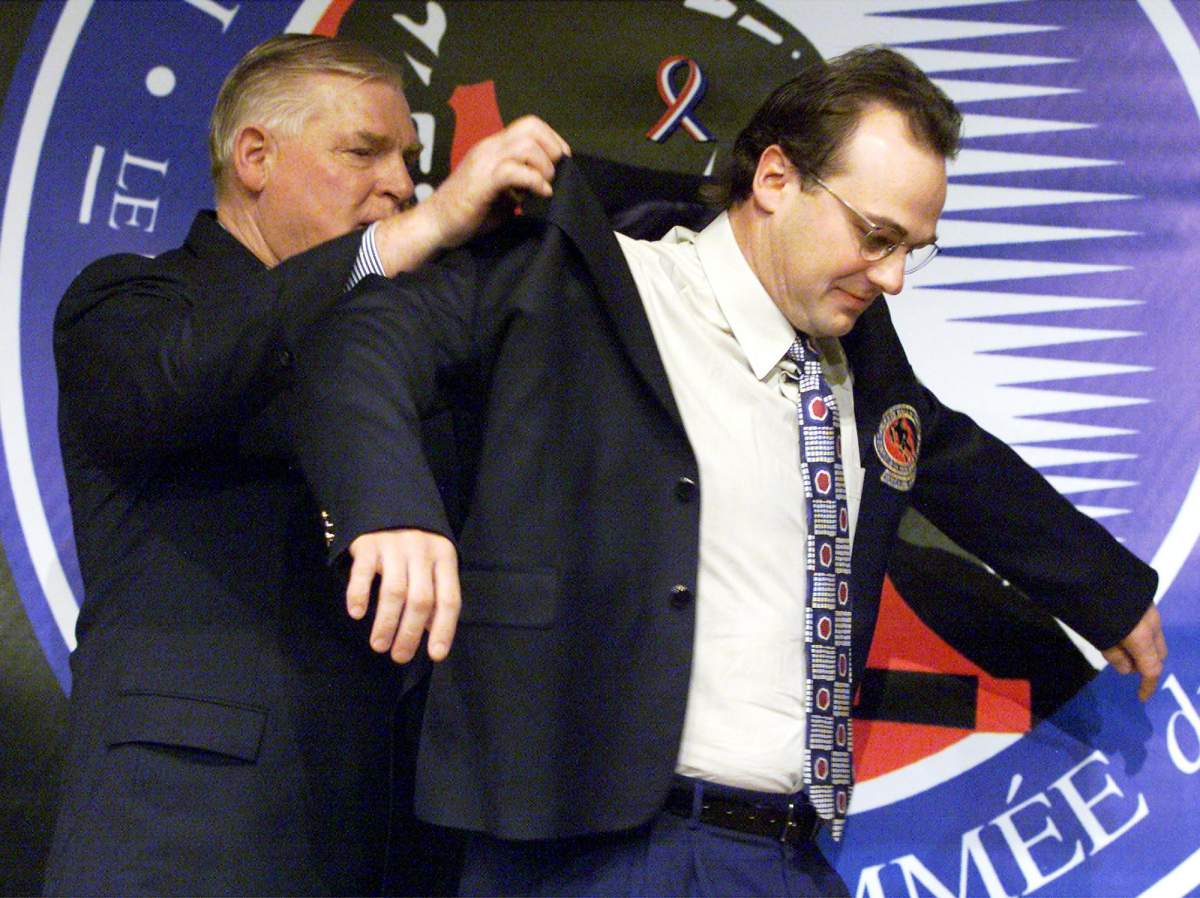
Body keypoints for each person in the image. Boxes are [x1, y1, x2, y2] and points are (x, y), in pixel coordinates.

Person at [291, 47, 1165, 897]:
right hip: (588, 853)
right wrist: (387, 508)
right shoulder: (582, 281)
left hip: (787, 853)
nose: (895, 277)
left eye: (914, 249)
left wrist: (1105, 591)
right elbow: (360, 344)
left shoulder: (861, 371)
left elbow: (960, 465)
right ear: (776, 179)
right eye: (877, 236)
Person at [45, 34, 568, 897]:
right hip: (185, 838)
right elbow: (189, 373)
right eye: (364, 151)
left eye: (410, 160)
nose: (401, 182)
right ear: (255, 156)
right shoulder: (130, 302)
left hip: (389, 843)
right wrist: (419, 233)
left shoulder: (425, 352)